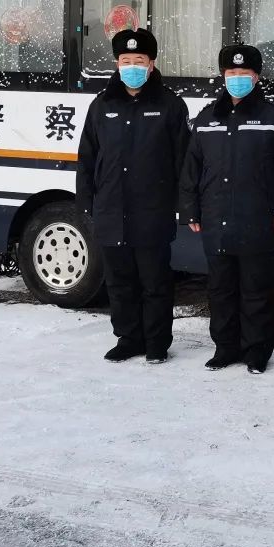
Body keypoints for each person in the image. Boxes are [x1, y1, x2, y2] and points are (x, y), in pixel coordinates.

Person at [179, 43, 274, 373]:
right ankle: (226, 347)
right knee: (220, 290)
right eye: (231, 72)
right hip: (216, 219)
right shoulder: (206, 119)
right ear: (223, 76)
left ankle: (257, 351)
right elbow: (192, 168)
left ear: (256, 77)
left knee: (257, 291)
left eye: (244, 73)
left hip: (259, 220)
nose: (237, 78)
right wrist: (190, 210)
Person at [76, 28, 189, 364]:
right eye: (126, 61)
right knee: (120, 282)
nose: (132, 66)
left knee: (155, 282)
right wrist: (87, 203)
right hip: (111, 210)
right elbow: (87, 158)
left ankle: (156, 342)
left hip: (152, 211)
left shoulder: (169, 105)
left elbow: (183, 160)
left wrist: (184, 206)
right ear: (117, 63)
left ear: (151, 64)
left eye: (139, 60)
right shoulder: (102, 105)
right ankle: (128, 339)